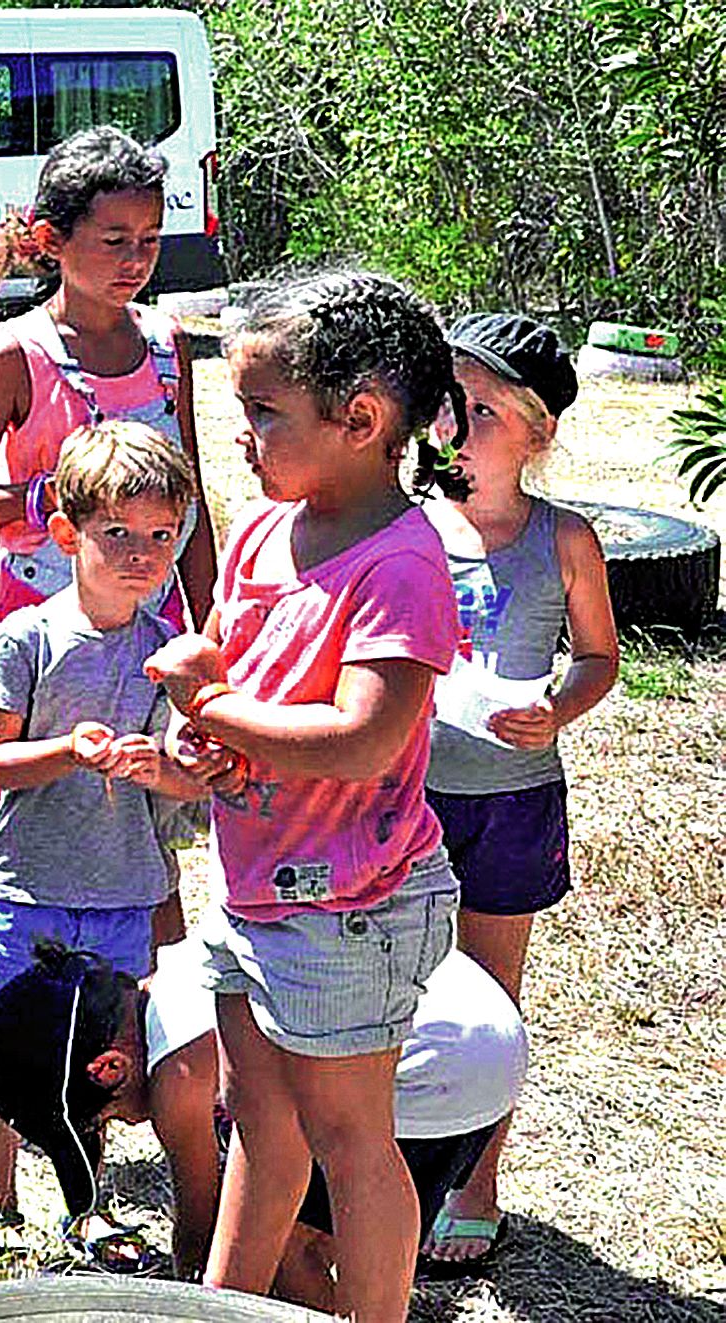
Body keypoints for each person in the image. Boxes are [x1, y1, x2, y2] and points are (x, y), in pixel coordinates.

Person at [142, 271, 468, 1323]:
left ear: (361, 419)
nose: (240, 436)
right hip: (258, 887)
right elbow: (242, 690)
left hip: (351, 908)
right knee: (258, 1121)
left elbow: (361, 739)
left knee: (347, 1139)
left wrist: (211, 705)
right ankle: (223, 1310)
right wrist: (205, 744)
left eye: (262, 412)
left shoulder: (400, 564)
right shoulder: (259, 534)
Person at [0, 126, 221, 1131]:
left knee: (143, 830)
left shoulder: (168, 346)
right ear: (51, 240)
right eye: (111, 240)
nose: (132, 260)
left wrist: (207, 621)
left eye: (146, 239)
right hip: (40, 629)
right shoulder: (18, 351)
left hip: (144, 631)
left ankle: (161, 1051)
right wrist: (39, 496)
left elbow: (190, 497)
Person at [0, 419, 210, 1246]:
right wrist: (66, 750)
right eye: (117, 533)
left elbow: (188, 784)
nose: (140, 552)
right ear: (65, 533)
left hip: (123, 890)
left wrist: (157, 769)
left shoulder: (167, 653)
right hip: (27, 881)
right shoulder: (24, 636)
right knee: (2, 1037)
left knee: (101, 1048)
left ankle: (84, 1199)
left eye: (161, 535)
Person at [0, 939, 527, 1310]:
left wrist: (185, 1302)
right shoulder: (183, 970)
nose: (122, 1124)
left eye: (107, 1115)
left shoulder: (176, 1073)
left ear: (110, 1067)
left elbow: (205, 1226)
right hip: (482, 1035)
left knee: (282, 1243)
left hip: (441, 1070)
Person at [417, 314, 617, 1274]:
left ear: (535, 435)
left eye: (484, 409)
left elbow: (598, 657)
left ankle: (475, 1180)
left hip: (510, 798)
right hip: (408, 792)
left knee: (491, 996)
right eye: (449, 401)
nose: (458, 423)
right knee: (398, 980)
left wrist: (556, 706)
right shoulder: (409, 523)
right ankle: (395, 1159)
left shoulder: (563, 538)